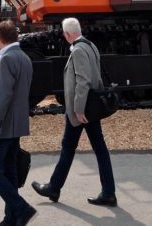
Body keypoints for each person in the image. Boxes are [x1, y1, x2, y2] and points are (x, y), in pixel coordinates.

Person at [32, 17, 117, 207]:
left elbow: (83, 81)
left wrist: (78, 109)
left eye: (64, 33)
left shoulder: (78, 50)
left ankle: (53, 188)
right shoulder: (91, 46)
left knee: (68, 147)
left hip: (81, 110)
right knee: (98, 149)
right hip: (91, 107)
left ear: (67, 34)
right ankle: (108, 192)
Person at [0, 20, 36, 226]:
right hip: (17, 124)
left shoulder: (6, 60)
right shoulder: (24, 58)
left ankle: (21, 209)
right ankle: (12, 219)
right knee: (9, 170)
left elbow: (2, 97)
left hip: (3, 127)